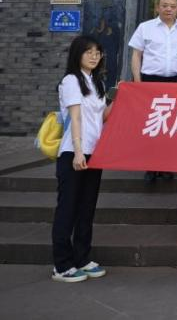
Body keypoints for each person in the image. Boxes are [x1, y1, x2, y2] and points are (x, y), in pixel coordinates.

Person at [51, 36, 112, 282]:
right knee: (68, 208)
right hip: (73, 152)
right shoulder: (71, 80)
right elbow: (75, 117)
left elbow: (102, 117)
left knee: (87, 208)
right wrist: (77, 152)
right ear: (78, 54)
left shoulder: (97, 82)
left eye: (97, 52)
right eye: (88, 52)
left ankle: (82, 258)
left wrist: (120, 96)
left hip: (94, 152)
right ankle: (61, 265)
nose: (94, 56)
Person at [128, 0, 177, 183]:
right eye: (165, 5)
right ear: (157, 7)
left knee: (172, 125)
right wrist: (138, 82)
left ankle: (167, 165)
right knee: (152, 125)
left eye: (172, 6)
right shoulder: (145, 28)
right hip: (150, 81)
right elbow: (136, 55)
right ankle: (151, 166)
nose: (168, 9)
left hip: (176, 82)